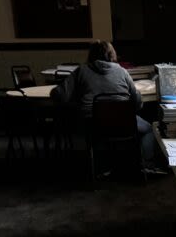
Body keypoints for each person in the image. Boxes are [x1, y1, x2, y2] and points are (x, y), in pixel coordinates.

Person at [51, 40, 159, 172]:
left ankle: (96, 166)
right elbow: (137, 101)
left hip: (93, 124)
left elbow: (59, 95)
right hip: (124, 123)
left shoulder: (81, 71)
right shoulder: (122, 72)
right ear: (112, 54)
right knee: (148, 129)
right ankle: (147, 166)